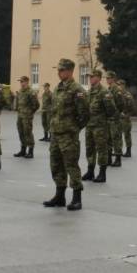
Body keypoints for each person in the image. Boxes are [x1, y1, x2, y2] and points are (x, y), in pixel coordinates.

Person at [43, 58, 88, 210]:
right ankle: (59, 195)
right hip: (56, 134)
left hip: (68, 135)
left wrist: (74, 128)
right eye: (58, 70)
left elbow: (85, 114)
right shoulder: (58, 88)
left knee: (71, 165)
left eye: (61, 70)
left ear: (69, 71)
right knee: (56, 165)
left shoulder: (77, 90)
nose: (59, 72)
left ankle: (77, 198)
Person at [82, 68, 118, 183]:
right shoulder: (89, 92)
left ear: (98, 77)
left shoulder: (104, 92)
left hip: (100, 126)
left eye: (92, 77)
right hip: (90, 125)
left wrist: (104, 119)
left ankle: (102, 173)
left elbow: (111, 109)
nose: (90, 79)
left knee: (101, 149)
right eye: (89, 77)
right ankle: (90, 171)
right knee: (89, 149)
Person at [14, 75, 40, 158]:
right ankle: (23, 150)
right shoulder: (20, 91)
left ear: (27, 82)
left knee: (27, 132)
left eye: (22, 81)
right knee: (21, 132)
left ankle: (30, 151)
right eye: (20, 82)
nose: (21, 83)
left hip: (27, 116)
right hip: (20, 115)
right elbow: (18, 102)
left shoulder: (31, 92)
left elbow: (36, 105)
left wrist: (30, 112)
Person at [105, 73, 125, 167]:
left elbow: (121, 104)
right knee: (108, 138)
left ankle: (118, 159)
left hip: (115, 118)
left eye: (109, 78)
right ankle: (109, 158)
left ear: (113, 79)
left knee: (116, 138)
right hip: (109, 118)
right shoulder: (109, 89)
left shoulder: (117, 89)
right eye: (107, 78)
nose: (107, 80)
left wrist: (116, 114)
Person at [117, 79, 134, 158]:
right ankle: (119, 151)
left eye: (119, 85)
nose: (118, 86)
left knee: (127, 134)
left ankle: (128, 151)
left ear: (123, 85)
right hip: (119, 118)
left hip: (125, 118)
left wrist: (126, 114)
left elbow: (131, 107)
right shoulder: (118, 94)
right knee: (118, 135)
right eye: (118, 85)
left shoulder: (128, 95)